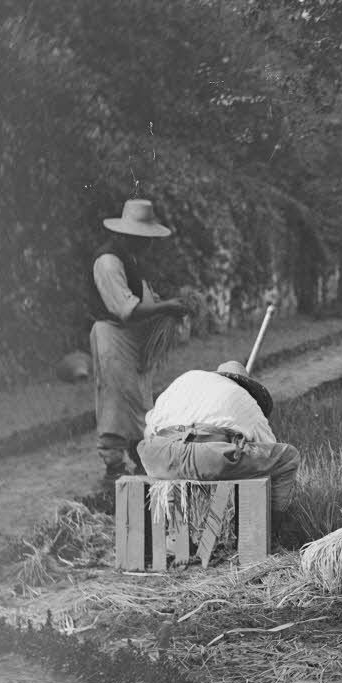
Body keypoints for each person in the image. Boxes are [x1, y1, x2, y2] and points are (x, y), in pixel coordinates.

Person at [90, 199, 189, 483]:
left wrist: (164, 306)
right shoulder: (108, 262)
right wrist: (166, 307)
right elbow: (126, 308)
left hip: (132, 339)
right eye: (142, 239)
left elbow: (145, 299)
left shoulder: (130, 259)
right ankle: (113, 465)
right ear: (126, 234)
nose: (147, 245)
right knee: (116, 397)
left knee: (138, 398)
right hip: (113, 335)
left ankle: (140, 456)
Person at [138, 361, 302, 520]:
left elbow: (148, 431)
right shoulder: (244, 397)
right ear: (245, 385)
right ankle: (272, 532)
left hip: (156, 458)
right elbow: (268, 445)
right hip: (207, 459)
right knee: (287, 458)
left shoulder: (186, 380)